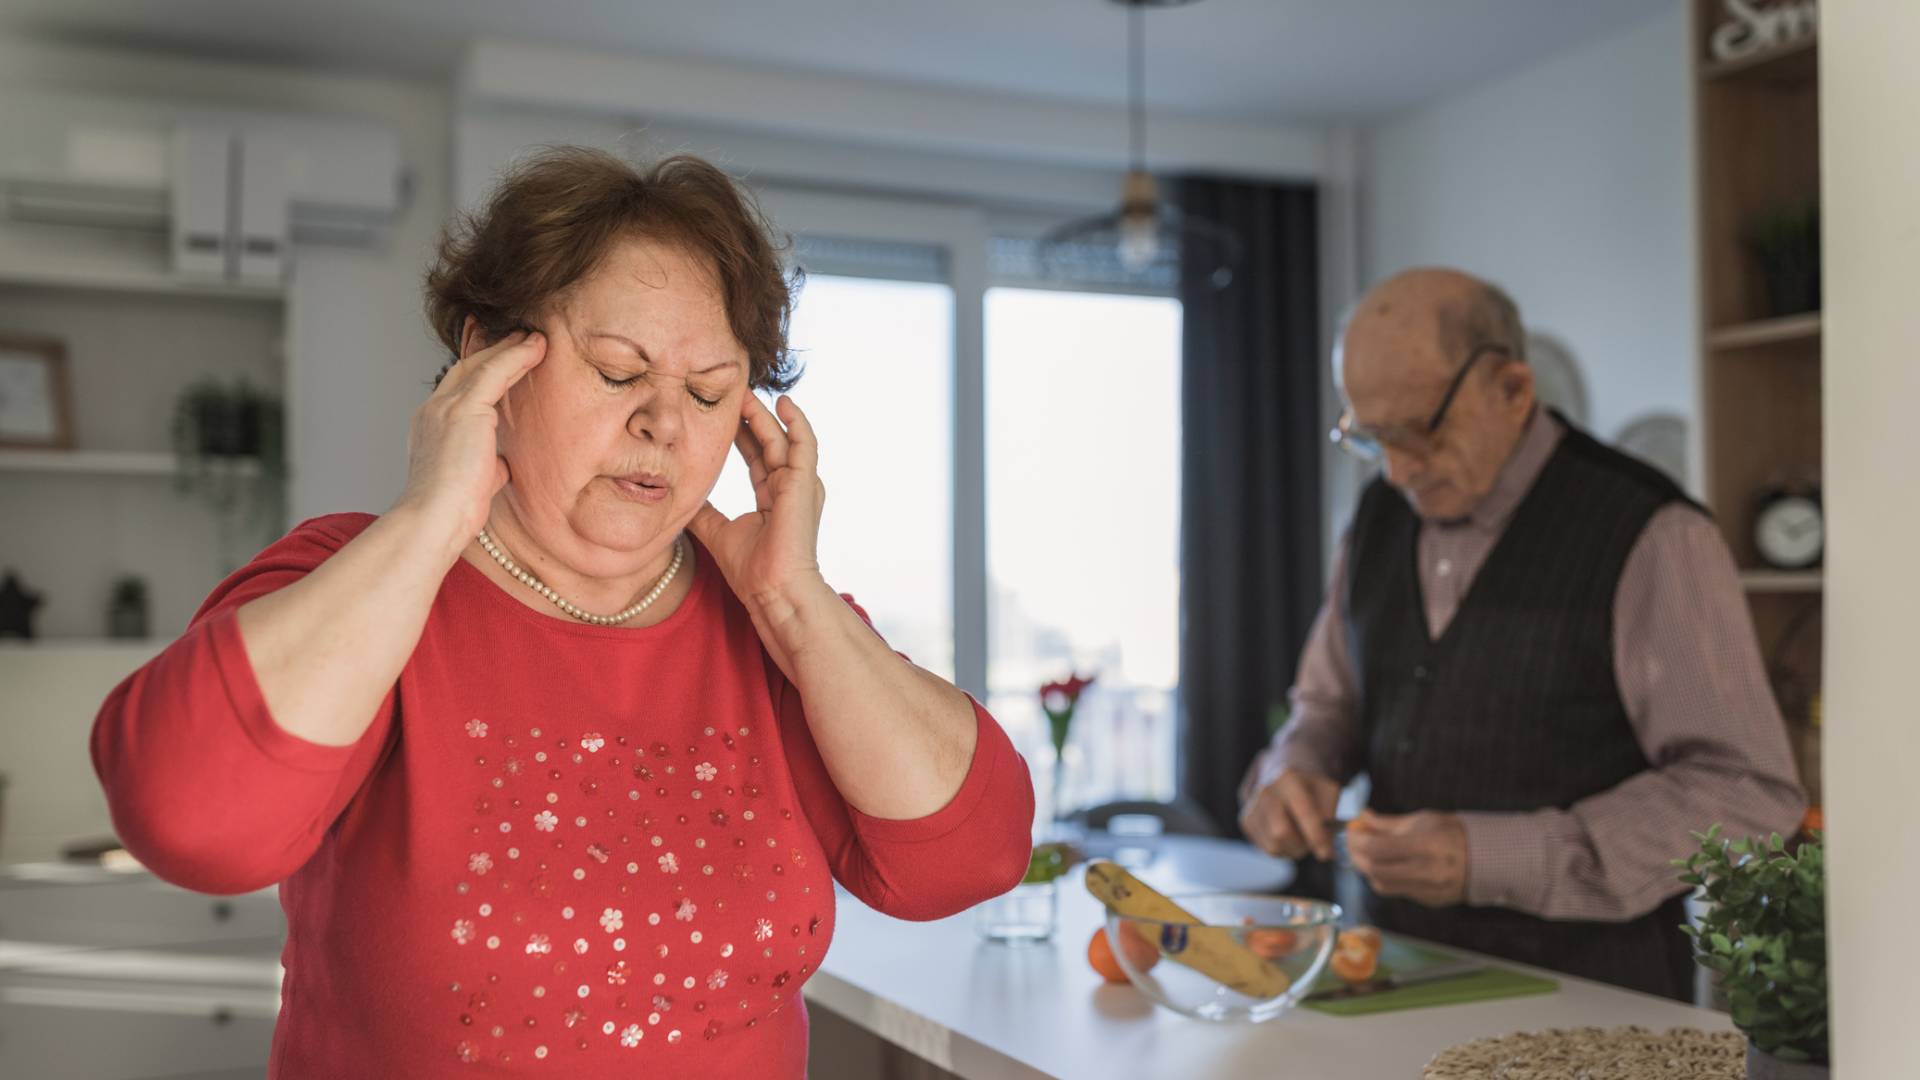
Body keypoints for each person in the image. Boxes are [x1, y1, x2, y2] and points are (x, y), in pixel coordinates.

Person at [90, 147, 1034, 1077]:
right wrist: (432, 518)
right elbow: (187, 817)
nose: (665, 422)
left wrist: (796, 600)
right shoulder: (358, 579)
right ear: (487, 359)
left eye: (709, 391)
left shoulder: (777, 622)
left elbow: (972, 859)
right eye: (620, 372)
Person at [1239, 268, 1805, 1000]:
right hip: (1393, 983)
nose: (1400, 471)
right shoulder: (1375, 520)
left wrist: (1496, 857)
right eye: (1372, 438)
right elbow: (1327, 706)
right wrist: (1293, 771)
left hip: (1596, 1008)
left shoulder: (1654, 533)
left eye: (1421, 432)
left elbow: (1748, 793)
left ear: (1511, 389)